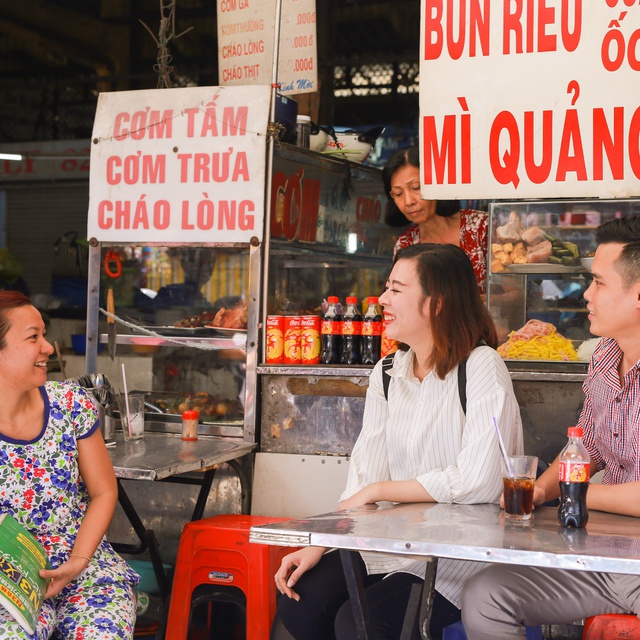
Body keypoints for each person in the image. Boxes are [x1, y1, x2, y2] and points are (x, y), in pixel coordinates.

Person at [272, 243, 523, 640]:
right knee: (300, 598)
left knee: (360, 625)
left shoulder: (481, 367)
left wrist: (382, 490)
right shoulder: (387, 372)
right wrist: (322, 543)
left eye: (397, 289)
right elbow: (363, 476)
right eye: (386, 288)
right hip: (386, 543)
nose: (383, 300)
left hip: (454, 557)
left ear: (437, 303)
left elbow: (482, 480)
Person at [460, 215, 640, 640]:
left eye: (599, 283)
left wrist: (574, 495)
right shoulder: (605, 357)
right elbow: (587, 446)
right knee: (486, 595)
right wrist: (541, 489)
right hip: (602, 557)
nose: (587, 295)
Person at [0, 291, 139, 638]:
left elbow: (105, 492)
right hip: (10, 585)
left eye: (44, 335)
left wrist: (77, 562)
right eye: (33, 337)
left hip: (85, 569)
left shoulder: (70, 403)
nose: (48, 347)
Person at [383, 145, 489, 293]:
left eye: (416, 187)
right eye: (398, 194)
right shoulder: (405, 244)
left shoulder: (480, 227)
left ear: (437, 183)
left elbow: (515, 292)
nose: (409, 201)